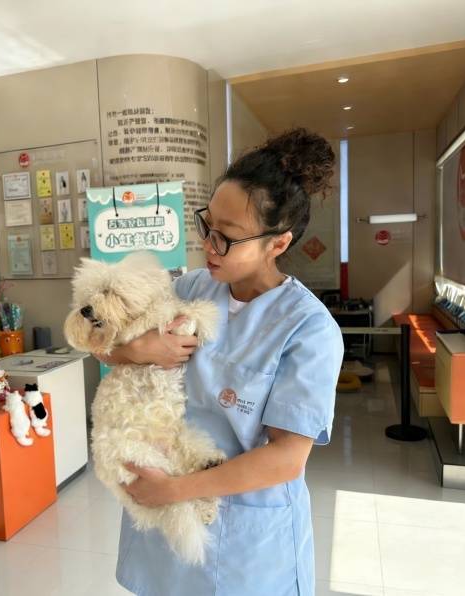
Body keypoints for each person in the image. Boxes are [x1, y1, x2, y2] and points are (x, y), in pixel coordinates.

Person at [94, 128, 345, 595]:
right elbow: (100, 340)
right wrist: (136, 351)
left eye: (226, 238)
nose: (209, 245)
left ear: (278, 243)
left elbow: (286, 459)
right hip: (164, 511)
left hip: (243, 534)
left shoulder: (308, 329)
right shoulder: (191, 288)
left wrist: (171, 490)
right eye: (206, 226)